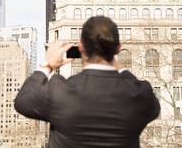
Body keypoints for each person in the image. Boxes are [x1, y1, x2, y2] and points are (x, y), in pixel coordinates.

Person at [14, 16, 160, 148]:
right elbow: (153, 107)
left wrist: (47, 65)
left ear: (80, 46)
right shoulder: (141, 94)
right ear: (118, 48)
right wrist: (115, 64)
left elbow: (22, 101)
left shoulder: (59, 90)